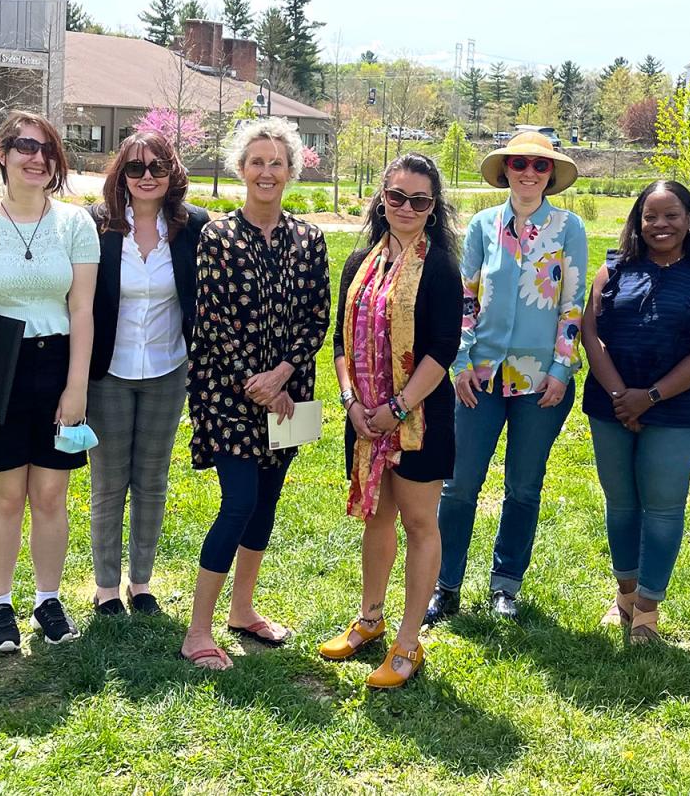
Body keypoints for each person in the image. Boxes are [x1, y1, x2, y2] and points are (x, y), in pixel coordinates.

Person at [0, 111, 99, 653]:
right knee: (7, 496)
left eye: (47, 150)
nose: (37, 158)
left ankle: (48, 599)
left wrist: (76, 386)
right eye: (26, 147)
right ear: (3, 155)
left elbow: (82, 310)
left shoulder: (77, 225)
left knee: (52, 493)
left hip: (58, 366)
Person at [182, 118, 330, 670]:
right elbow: (213, 320)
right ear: (240, 170)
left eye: (277, 162)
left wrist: (284, 373)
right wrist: (258, 383)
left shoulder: (309, 238)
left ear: (292, 171)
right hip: (227, 390)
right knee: (238, 501)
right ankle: (198, 630)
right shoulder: (217, 237)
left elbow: (317, 315)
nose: (267, 172)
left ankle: (242, 611)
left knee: (267, 503)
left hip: (290, 393)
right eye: (257, 162)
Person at [427, 131, 588, 624]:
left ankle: (506, 586)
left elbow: (572, 304)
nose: (529, 172)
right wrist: (460, 363)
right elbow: (466, 298)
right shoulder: (482, 225)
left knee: (523, 487)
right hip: (481, 377)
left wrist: (563, 368)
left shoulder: (568, 227)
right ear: (506, 169)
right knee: (458, 486)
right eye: (520, 163)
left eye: (540, 166)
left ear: (550, 176)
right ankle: (445, 583)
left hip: (542, 381)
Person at [319, 153, 462, 688]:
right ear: (382, 198)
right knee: (376, 518)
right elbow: (339, 342)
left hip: (419, 417)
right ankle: (370, 619)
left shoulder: (443, 269)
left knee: (419, 523)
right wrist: (352, 402)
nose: (405, 207)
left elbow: (442, 349)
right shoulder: (360, 261)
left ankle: (408, 642)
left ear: (432, 208)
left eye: (419, 200)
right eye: (397, 196)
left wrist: (396, 407)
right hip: (364, 419)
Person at [580, 181, 690, 644]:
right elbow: (590, 334)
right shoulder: (614, 268)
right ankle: (624, 597)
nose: (660, 225)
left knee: (662, 508)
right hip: (610, 402)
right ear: (637, 222)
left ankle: (647, 608)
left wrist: (652, 396)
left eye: (671, 216)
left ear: (689, 220)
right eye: (650, 216)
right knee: (621, 503)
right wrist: (623, 395)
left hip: (679, 408)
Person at [85, 133, 209, 616]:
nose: (147, 176)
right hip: (108, 371)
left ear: (172, 172)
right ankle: (106, 588)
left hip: (167, 368)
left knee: (152, 480)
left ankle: (142, 582)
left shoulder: (191, 226)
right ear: (121, 175)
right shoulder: (97, 226)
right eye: (135, 169)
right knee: (109, 481)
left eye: (157, 166)